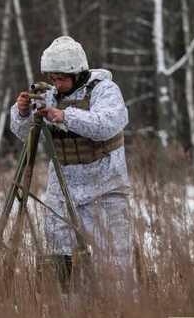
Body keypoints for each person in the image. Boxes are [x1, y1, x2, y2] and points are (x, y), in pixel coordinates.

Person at [10, 36, 133, 289]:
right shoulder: (50, 94)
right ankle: (63, 311)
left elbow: (105, 125)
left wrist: (65, 116)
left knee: (114, 263)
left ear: (78, 73)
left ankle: (119, 313)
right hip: (63, 191)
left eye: (62, 78)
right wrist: (23, 112)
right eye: (53, 78)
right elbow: (25, 135)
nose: (57, 84)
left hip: (105, 189)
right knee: (59, 258)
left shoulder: (105, 91)